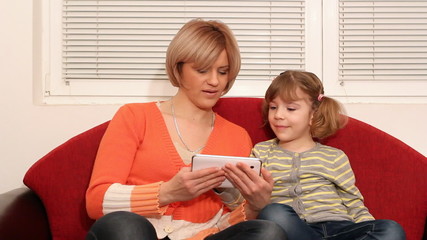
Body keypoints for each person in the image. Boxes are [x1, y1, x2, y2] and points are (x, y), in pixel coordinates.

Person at [85, 18, 285, 240]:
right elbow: (96, 201)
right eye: (202, 70)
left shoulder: (237, 136)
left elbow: (224, 223)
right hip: (138, 233)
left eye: (222, 71)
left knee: (268, 232)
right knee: (125, 227)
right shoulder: (135, 116)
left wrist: (255, 207)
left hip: (203, 236)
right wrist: (167, 192)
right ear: (178, 70)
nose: (214, 81)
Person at [249, 70, 406, 240]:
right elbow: (243, 196)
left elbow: (353, 202)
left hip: (340, 229)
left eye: (291, 108)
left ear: (313, 114)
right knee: (273, 212)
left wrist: (368, 226)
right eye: (273, 107)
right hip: (295, 231)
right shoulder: (262, 152)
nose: (278, 115)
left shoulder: (334, 156)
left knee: (390, 229)